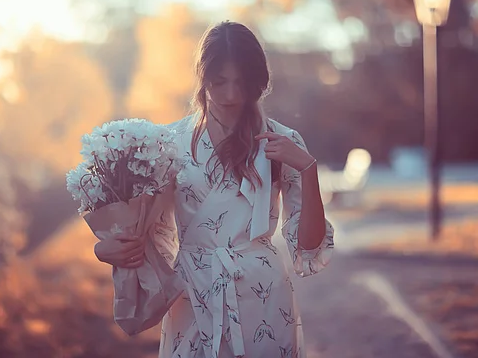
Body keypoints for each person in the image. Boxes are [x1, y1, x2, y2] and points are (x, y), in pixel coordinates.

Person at [94, 21, 335, 358]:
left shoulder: (285, 142)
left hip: (262, 294)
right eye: (219, 82)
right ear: (202, 78)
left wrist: (308, 170)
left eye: (243, 83)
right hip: (191, 292)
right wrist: (107, 249)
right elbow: (147, 235)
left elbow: (308, 246)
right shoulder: (166, 145)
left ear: (259, 83)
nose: (232, 95)